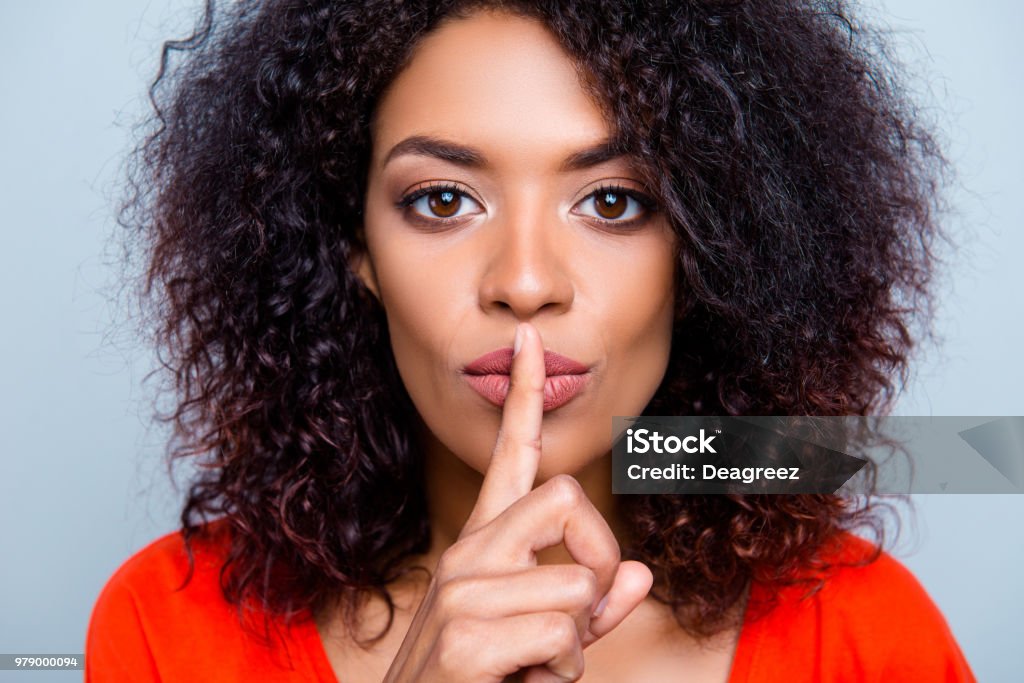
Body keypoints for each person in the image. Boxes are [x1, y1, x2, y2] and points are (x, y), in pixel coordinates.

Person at [87, 0, 975, 680]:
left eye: (614, 202)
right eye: (442, 199)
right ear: (353, 245)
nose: (524, 280)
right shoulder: (168, 627)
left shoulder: (863, 632)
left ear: (709, 249)